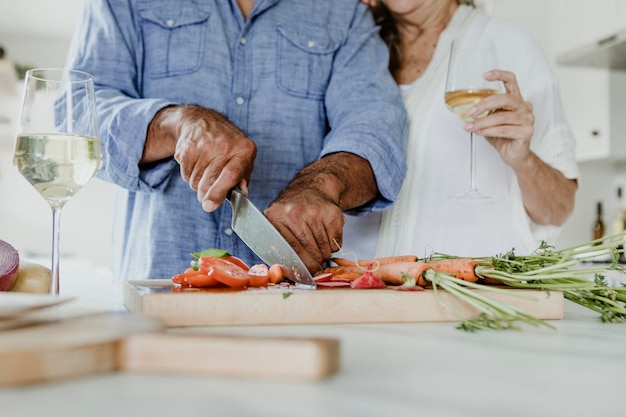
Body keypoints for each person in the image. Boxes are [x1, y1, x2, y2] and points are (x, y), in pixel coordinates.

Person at [64, 0, 408, 279]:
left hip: (287, 312)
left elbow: (375, 127)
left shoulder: (345, 13)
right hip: (157, 301)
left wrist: (321, 186)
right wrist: (176, 124)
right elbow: (76, 115)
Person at [344, 0, 579, 259]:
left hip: (467, 290)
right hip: (360, 289)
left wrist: (524, 161)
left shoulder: (508, 45)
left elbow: (558, 209)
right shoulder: (352, 45)